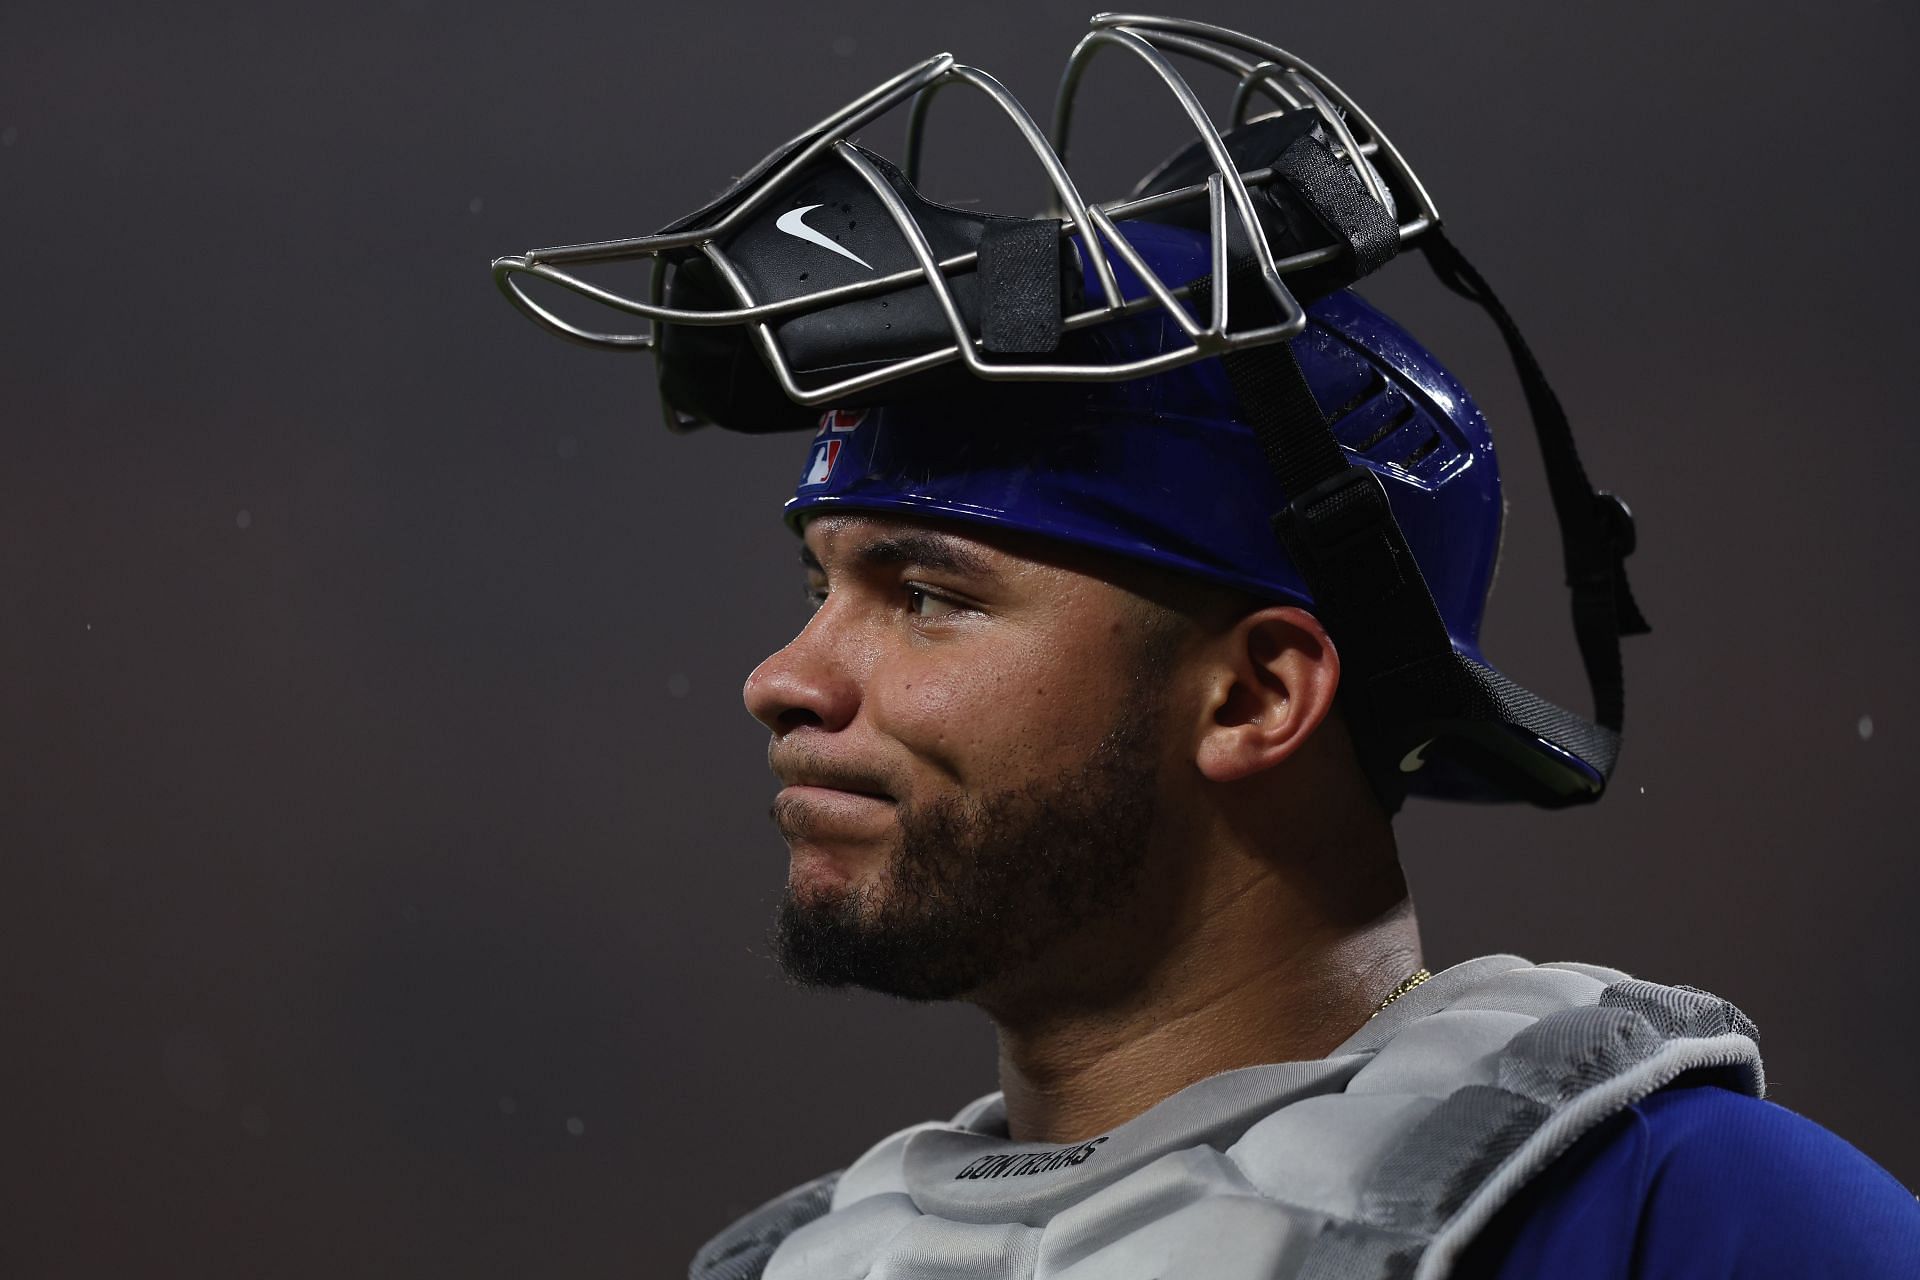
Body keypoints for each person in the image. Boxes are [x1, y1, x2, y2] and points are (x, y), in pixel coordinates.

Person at [491, 15, 1920, 1278]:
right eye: (821, 584)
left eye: (927, 592)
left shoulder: (1684, 1225)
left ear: (1256, 694)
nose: (785, 678)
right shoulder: (805, 1262)